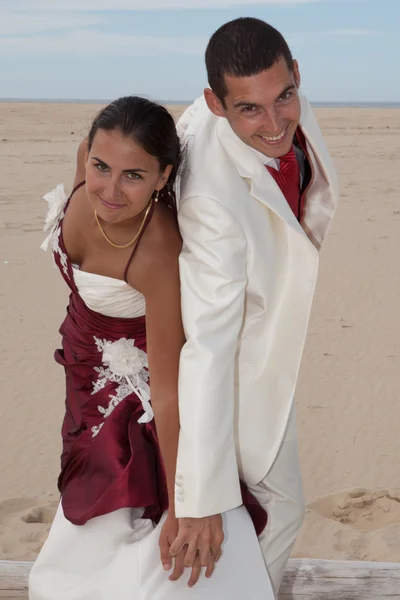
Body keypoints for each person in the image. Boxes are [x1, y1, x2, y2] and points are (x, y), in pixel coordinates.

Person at [28, 96, 275, 600]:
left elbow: (166, 391)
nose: (110, 190)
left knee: (119, 515)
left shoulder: (156, 251)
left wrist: (186, 504)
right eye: (102, 166)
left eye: (134, 176)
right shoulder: (86, 162)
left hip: (133, 387)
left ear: (164, 178)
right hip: (81, 361)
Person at [173, 17, 339, 596]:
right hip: (240, 359)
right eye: (249, 109)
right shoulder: (208, 202)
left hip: (267, 323)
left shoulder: (277, 106)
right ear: (215, 104)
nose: (274, 124)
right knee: (280, 510)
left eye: (284, 97)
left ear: (296, 75)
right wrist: (200, 498)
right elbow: (209, 346)